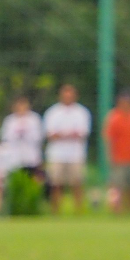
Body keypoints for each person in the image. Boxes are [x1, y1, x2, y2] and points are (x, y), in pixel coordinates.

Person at [43, 83, 91, 212]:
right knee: (56, 184)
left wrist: (62, 135)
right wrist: (68, 134)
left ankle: (79, 211)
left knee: (77, 184)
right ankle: (55, 211)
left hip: (76, 155)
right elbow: (50, 134)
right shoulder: (53, 112)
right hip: (57, 155)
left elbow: (82, 134)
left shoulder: (82, 112)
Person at [104, 91, 130, 214]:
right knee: (118, 185)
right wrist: (110, 156)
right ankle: (117, 210)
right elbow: (109, 138)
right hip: (119, 157)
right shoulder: (114, 117)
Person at [0, 96, 43, 179]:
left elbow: (38, 136)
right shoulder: (9, 120)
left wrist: (26, 133)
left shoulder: (34, 119)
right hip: (15, 156)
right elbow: (5, 138)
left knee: (31, 178)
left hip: (31, 156)